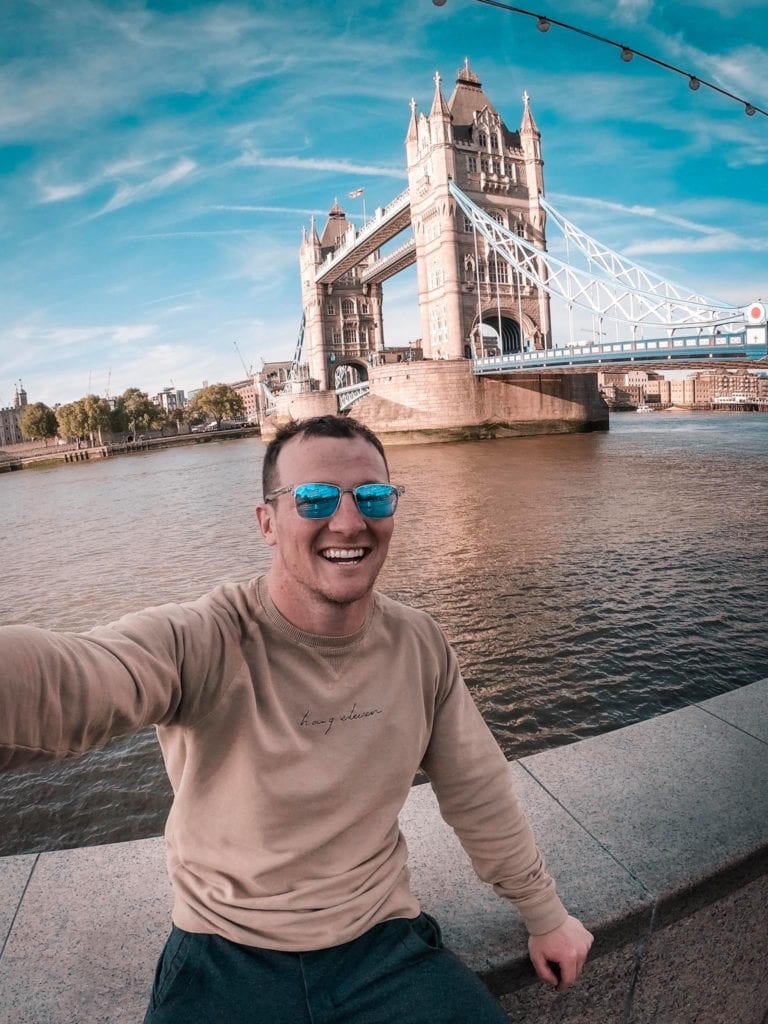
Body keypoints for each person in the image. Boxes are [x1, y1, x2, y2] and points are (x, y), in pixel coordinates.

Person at [0, 414, 592, 1023]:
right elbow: (74, 677)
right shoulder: (204, 638)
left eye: (372, 496)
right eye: (313, 498)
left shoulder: (420, 644)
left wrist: (544, 912)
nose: (348, 521)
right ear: (267, 523)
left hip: (382, 941)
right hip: (222, 951)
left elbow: (478, 789)